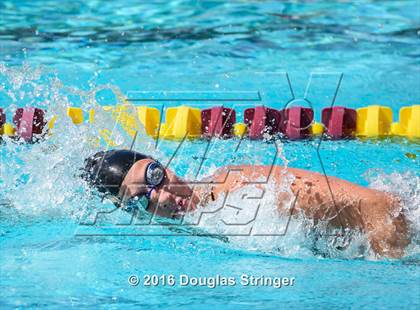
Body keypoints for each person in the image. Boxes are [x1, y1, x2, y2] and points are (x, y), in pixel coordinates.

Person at [82, 149, 409, 258]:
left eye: (156, 175)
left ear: (163, 163)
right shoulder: (204, 220)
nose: (164, 195)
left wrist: (388, 276)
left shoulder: (249, 192)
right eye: (143, 200)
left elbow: (381, 206)